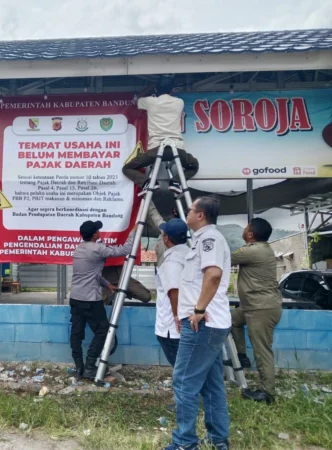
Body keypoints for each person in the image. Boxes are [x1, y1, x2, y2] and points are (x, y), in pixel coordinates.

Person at [164, 197, 231, 450]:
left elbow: (213, 274)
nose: (187, 214)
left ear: (200, 215)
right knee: (211, 384)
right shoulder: (201, 241)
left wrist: (199, 310)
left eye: (190, 210)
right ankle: (218, 441)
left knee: (183, 381)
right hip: (208, 324)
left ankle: (184, 443)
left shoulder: (209, 239)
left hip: (202, 324)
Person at [69, 220, 138, 379]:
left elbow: (92, 275)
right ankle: (90, 366)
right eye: (98, 231)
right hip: (90, 300)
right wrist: (133, 231)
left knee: (76, 333)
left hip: (75, 298)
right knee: (103, 331)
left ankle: (79, 368)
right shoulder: (98, 249)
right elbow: (126, 249)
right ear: (95, 235)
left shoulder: (78, 249)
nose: (100, 232)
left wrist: (107, 285)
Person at [231, 218, 282, 404]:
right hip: (255, 307)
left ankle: (267, 393)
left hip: (261, 308)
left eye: (246, 228)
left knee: (262, 351)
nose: (244, 230)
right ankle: (242, 356)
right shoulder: (263, 249)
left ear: (250, 234)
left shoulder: (252, 251)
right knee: (232, 320)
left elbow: (223, 258)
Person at [123, 77, 199, 198]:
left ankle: (147, 183)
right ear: (172, 90)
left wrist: (149, 87)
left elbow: (135, 101)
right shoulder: (179, 103)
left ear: (156, 89)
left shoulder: (151, 101)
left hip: (155, 149)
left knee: (127, 168)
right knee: (194, 165)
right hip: (177, 149)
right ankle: (176, 182)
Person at [155, 218, 189, 368]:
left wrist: (176, 316)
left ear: (166, 238)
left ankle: (185, 391)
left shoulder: (172, 261)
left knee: (181, 368)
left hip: (172, 326)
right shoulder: (189, 254)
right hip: (186, 319)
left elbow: (174, 291)